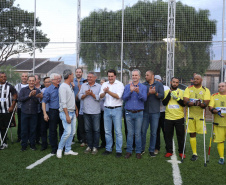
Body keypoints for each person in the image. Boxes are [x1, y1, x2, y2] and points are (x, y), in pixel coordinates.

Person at [183, 74, 210, 161]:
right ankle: (195, 153)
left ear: (201, 80)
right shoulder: (188, 89)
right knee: (192, 133)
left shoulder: (206, 90)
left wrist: (201, 104)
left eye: (197, 79)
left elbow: (206, 103)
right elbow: (185, 101)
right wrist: (194, 103)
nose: (195, 80)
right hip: (190, 115)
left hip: (200, 115)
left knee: (200, 133)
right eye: (194, 79)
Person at [122, 69, 147, 159]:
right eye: (133, 75)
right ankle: (129, 151)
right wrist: (131, 91)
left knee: (137, 133)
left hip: (139, 113)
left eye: (136, 75)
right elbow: (124, 98)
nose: (134, 77)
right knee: (130, 133)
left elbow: (144, 98)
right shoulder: (127, 86)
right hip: (128, 113)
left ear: (139, 76)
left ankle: (138, 151)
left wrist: (138, 92)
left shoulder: (143, 87)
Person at [100, 69, 124, 158]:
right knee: (107, 131)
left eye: (111, 76)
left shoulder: (119, 84)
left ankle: (118, 150)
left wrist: (108, 92)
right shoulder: (105, 84)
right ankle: (108, 149)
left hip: (116, 109)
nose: (110, 78)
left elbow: (118, 96)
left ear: (115, 76)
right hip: (106, 109)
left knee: (118, 131)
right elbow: (100, 96)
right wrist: (104, 92)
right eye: (109, 76)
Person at [141, 70, 164, 157]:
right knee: (143, 131)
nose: (146, 76)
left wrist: (155, 93)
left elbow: (162, 96)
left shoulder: (159, 85)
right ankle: (142, 149)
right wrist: (148, 93)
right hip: (145, 112)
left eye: (147, 75)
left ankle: (151, 150)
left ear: (152, 76)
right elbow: (142, 97)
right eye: (145, 75)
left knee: (153, 132)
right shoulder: (143, 85)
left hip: (155, 112)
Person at [56, 69, 78, 158]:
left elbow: (71, 99)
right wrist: (67, 115)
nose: (73, 76)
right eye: (72, 74)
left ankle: (68, 150)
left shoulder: (69, 86)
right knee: (67, 132)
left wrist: (76, 109)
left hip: (72, 111)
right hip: (66, 112)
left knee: (72, 132)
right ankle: (60, 149)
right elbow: (63, 103)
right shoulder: (63, 87)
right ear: (69, 75)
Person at [162, 77, 185, 158]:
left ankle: (181, 151)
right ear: (171, 82)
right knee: (168, 136)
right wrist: (169, 94)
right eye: (174, 82)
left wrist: (177, 98)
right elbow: (164, 103)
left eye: (177, 82)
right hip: (168, 117)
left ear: (178, 84)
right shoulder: (166, 91)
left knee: (181, 136)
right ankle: (169, 151)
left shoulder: (182, 92)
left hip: (179, 117)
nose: (175, 84)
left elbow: (184, 104)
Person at [79, 72, 101, 154]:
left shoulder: (99, 86)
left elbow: (100, 98)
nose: (89, 78)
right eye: (88, 77)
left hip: (95, 112)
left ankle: (95, 147)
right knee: (88, 130)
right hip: (86, 111)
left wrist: (92, 94)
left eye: (91, 77)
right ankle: (89, 146)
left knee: (96, 130)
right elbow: (79, 96)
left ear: (95, 78)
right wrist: (85, 94)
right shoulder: (84, 85)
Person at [19, 75, 42, 151]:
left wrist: (36, 96)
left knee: (33, 129)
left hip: (34, 113)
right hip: (24, 112)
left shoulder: (38, 90)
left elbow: (38, 102)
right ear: (28, 81)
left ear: (35, 81)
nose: (31, 82)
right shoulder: (23, 90)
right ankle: (24, 145)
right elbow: (20, 99)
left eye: (33, 80)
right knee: (24, 130)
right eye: (30, 80)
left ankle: (32, 144)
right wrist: (29, 96)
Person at [42, 73, 63, 154]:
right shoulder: (48, 89)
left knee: (63, 129)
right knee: (52, 130)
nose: (58, 80)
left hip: (62, 111)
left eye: (59, 78)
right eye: (56, 79)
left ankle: (62, 146)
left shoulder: (62, 87)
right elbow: (44, 102)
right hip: (53, 111)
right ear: (52, 80)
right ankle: (54, 147)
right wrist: (45, 114)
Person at [209, 82, 226, 165]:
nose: (220, 88)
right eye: (219, 86)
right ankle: (221, 157)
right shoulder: (214, 96)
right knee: (220, 141)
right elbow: (211, 108)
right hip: (218, 123)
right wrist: (215, 111)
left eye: (223, 86)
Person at [0, 72, 17, 150]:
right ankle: (3, 140)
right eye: (1, 77)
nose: (3, 78)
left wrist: (12, 106)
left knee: (3, 127)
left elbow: (15, 95)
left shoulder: (9, 86)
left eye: (5, 76)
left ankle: (4, 143)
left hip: (6, 111)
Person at [154, 75, 170, 155]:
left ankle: (168, 149)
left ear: (161, 80)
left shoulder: (166, 88)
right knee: (156, 131)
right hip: (155, 112)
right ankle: (156, 148)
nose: (156, 81)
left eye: (158, 80)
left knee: (165, 131)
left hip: (164, 112)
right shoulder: (152, 87)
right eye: (155, 80)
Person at [99, 78, 115, 148]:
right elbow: (99, 98)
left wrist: (106, 92)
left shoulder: (109, 90)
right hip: (100, 111)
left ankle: (111, 142)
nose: (101, 84)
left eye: (103, 82)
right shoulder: (100, 90)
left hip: (108, 111)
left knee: (110, 128)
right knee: (102, 128)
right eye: (100, 83)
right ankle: (103, 142)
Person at [72, 68, 85, 143]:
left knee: (81, 121)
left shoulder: (85, 81)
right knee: (72, 120)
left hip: (82, 103)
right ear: (75, 73)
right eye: (77, 72)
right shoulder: (72, 81)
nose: (78, 73)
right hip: (72, 103)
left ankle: (80, 137)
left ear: (82, 73)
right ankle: (72, 137)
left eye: (80, 72)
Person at [15, 73, 28, 142]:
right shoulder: (17, 86)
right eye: (23, 76)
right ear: (21, 77)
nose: (24, 77)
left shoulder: (30, 85)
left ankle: (27, 137)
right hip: (20, 107)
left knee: (28, 123)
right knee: (20, 122)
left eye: (26, 76)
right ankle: (19, 137)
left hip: (29, 107)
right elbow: (15, 96)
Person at [40, 76, 51, 151]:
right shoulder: (42, 90)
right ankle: (44, 144)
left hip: (52, 111)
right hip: (44, 112)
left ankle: (52, 143)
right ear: (43, 83)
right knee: (43, 129)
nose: (47, 83)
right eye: (46, 82)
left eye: (48, 82)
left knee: (52, 129)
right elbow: (41, 102)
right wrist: (40, 97)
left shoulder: (54, 90)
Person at [77, 79, 88, 147]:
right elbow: (77, 98)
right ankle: (83, 140)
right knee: (81, 127)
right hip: (81, 111)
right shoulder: (81, 92)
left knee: (88, 127)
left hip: (89, 112)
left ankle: (88, 140)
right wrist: (79, 90)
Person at [34, 74, 44, 145]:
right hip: (33, 109)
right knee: (33, 125)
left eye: (35, 79)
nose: (33, 80)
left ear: (39, 80)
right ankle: (32, 139)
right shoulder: (31, 88)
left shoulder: (43, 87)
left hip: (41, 109)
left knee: (40, 125)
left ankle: (39, 139)